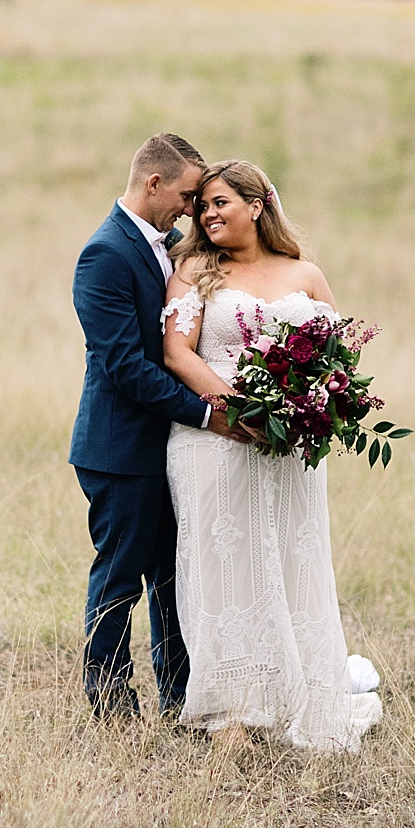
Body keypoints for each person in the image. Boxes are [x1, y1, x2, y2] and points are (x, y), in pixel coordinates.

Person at [161, 160, 383, 752]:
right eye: (202, 206)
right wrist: (237, 409)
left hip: (291, 449)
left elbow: (342, 358)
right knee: (223, 568)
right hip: (216, 440)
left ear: (257, 206)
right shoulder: (194, 273)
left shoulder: (305, 275)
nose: (207, 215)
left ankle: (297, 699)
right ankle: (232, 714)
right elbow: (178, 354)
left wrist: (316, 405)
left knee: (290, 562)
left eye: (220, 203)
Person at [68, 134, 246, 718]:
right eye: (189, 195)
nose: (193, 208)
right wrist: (206, 414)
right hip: (119, 449)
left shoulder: (170, 246)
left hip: (170, 448)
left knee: (175, 580)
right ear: (154, 184)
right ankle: (110, 704)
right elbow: (124, 367)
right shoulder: (105, 255)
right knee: (120, 579)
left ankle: (180, 699)